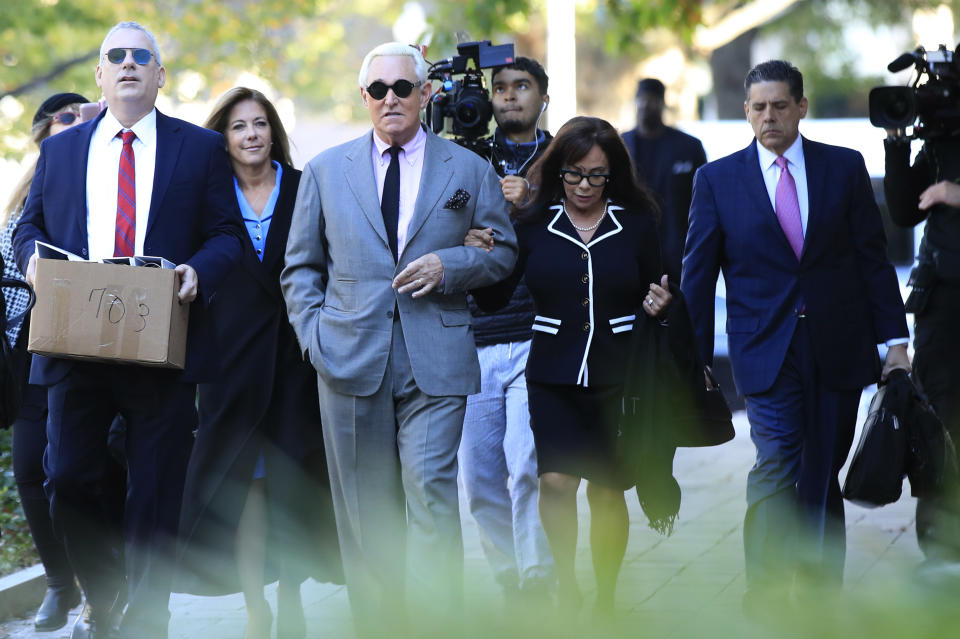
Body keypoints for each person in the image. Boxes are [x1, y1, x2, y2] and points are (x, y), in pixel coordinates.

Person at [12, 21, 244, 639]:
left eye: (142, 56)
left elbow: (228, 236)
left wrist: (198, 270)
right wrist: (34, 257)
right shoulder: (61, 150)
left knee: (154, 489)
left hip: (159, 344)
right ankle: (107, 596)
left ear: (160, 76)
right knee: (66, 478)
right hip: (75, 344)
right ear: (98, 75)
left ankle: (147, 616)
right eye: (115, 56)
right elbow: (25, 226)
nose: (128, 64)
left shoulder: (198, 149)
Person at [279, 42, 517, 637]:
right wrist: (314, 338)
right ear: (364, 98)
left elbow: (503, 253)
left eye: (403, 88)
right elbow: (301, 269)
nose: (391, 99)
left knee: (431, 492)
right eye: (378, 89)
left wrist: (450, 267)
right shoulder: (326, 171)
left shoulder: (468, 170)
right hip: (347, 356)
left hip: (435, 354)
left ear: (425, 95)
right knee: (364, 513)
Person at [681, 60, 911, 614]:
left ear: (801, 107)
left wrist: (895, 344)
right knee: (779, 459)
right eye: (758, 108)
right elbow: (697, 273)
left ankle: (817, 593)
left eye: (780, 106)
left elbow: (872, 262)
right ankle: (763, 592)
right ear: (746, 112)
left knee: (822, 467)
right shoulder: (718, 180)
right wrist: (688, 360)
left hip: (838, 345)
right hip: (764, 348)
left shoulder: (843, 167)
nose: (769, 117)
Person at [472, 116, 671, 616]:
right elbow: (495, 298)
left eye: (597, 175)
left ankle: (604, 596)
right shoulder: (533, 225)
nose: (584, 185)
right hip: (552, 374)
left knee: (607, 490)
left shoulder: (639, 223)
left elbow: (665, 285)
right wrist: (480, 256)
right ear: (558, 170)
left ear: (613, 174)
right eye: (574, 173)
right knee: (555, 482)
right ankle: (566, 584)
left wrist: (664, 302)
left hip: (619, 376)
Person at [177, 87, 342, 639]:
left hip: (296, 360)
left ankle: (291, 593)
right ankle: (255, 606)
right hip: (230, 362)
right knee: (243, 483)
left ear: (273, 131)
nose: (251, 135)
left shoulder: (304, 187)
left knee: (289, 481)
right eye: (238, 126)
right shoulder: (208, 196)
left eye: (260, 124)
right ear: (221, 138)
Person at [458, 56, 555, 601]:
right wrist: (463, 232)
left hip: (535, 334)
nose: (510, 96)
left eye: (522, 86)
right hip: (472, 337)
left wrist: (534, 201)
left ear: (543, 95)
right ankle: (508, 581)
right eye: (500, 88)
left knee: (527, 469)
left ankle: (537, 580)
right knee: (482, 484)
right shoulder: (463, 155)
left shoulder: (564, 158)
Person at [2, 92, 88, 632]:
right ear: (43, 132)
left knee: (86, 473)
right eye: (66, 116)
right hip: (29, 353)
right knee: (32, 469)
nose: (78, 123)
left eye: (87, 116)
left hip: (91, 349)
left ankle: (104, 591)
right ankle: (60, 583)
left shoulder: (106, 184)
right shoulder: (17, 207)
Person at [884, 126, 960, 563]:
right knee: (939, 423)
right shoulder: (939, 140)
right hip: (941, 302)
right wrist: (898, 143)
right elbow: (902, 210)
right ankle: (940, 550)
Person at [621, 78, 706, 282]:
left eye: (651, 100)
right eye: (641, 99)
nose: (645, 105)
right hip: (630, 250)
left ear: (662, 103)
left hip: (679, 252)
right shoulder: (621, 145)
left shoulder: (689, 147)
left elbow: (704, 202)